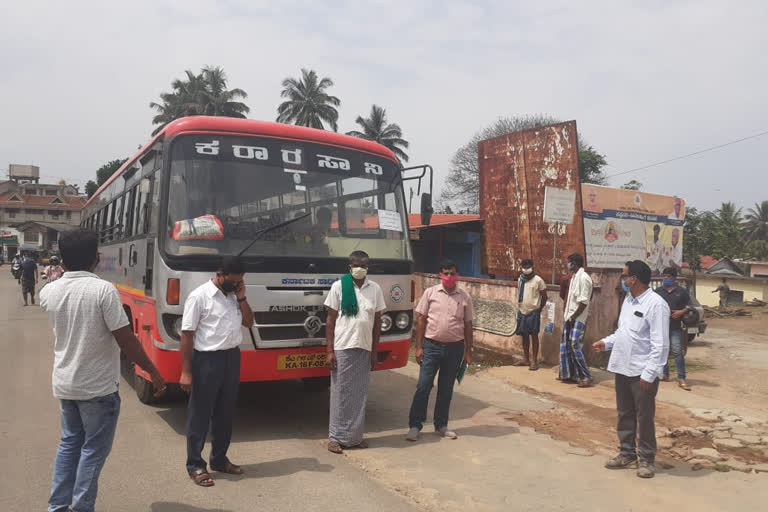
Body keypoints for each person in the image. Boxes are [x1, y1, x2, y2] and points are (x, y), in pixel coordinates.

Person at [40, 229, 166, 512]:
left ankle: (58, 507)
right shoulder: (104, 291)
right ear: (96, 258)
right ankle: (82, 507)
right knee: (92, 452)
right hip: (97, 388)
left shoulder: (49, 291)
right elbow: (126, 340)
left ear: (62, 258)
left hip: (65, 385)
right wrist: (152, 372)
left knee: (70, 444)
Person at [181, 256, 254, 487]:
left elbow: (249, 323)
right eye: (233, 281)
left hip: (232, 358)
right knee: (200, 415)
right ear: (219, 273)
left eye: (239, 282)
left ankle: (219, 459)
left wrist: (242, 298)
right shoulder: (199, 296)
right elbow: (187, 335)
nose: (235, 285)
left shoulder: (235, 296)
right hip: (206, 360)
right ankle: (195, 464)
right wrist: (186, 371)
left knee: (225, 413)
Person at [593, 260, 670, 479]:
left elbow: (660, 344)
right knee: (624, 413)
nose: (623, 279)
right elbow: (623, 332)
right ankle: (627, 453)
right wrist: (606, 342)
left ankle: (646, 458)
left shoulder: (656, 304)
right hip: (623, 367)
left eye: (625, 276)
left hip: (642, 371)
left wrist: (650, 373)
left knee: (644, 416)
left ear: (634, 279)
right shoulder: (628, 300)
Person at [324, 250, 386, 453]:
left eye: (364, 265)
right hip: (343, 346)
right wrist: (329, 351)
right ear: (349, 267)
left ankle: (354, 438)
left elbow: (377, 323)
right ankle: (335, 438)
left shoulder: (375, 289)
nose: (359, 268)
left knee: (359, 394)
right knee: (340, 393)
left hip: (364, 347)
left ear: (368, 267)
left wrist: (375, 352)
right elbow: (331, 320)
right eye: (356, 265)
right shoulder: (339, 286)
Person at [406, 260, 474, 441]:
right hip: (431, 347)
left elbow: (468, 325)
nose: (449, 277)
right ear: (440, 275)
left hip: (455, 349)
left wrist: (468, 352)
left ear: (457, 275)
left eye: (452, 273)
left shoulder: (464, 297)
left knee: (446, 389)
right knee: (423, 386)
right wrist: (419, 347)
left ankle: (441, 425)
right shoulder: (430, 293)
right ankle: (415, 426)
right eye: (445, 273)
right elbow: (421, 320)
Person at [559, 253, 594, 387]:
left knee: (574, 344)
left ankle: (587, 375)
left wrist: (573, 317)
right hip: (569, 317)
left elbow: (584, 302)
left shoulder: (584, 278)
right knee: (567, 345)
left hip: (578, 318)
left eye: (569, 262)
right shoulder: (574, 277)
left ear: (574, 263)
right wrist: (569, 316)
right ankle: (572, 374)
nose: (568, 265)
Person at [655, 267, 692, 391]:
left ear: (674, 278)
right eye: (664, 276)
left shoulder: (681, 292)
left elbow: (690, 306)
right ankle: (664, 374)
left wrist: (681, 312)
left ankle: (681, 377)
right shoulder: (658, 291)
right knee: (662, 351)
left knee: (677, 352)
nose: (666, 278)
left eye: (669, 277)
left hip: (675, 326)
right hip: (661, 327)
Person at [513, 259, 547, 371]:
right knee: (524, 336)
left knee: (534, 336)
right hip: (522, 311)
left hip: (533, 312)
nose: (525, 268)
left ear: (532, 266)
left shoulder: (538, 280)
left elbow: (544, 296)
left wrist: (539, 309)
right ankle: (526, 359)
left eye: (528, 266)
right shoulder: (520, 279)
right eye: (524, 266)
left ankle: (534, 361)